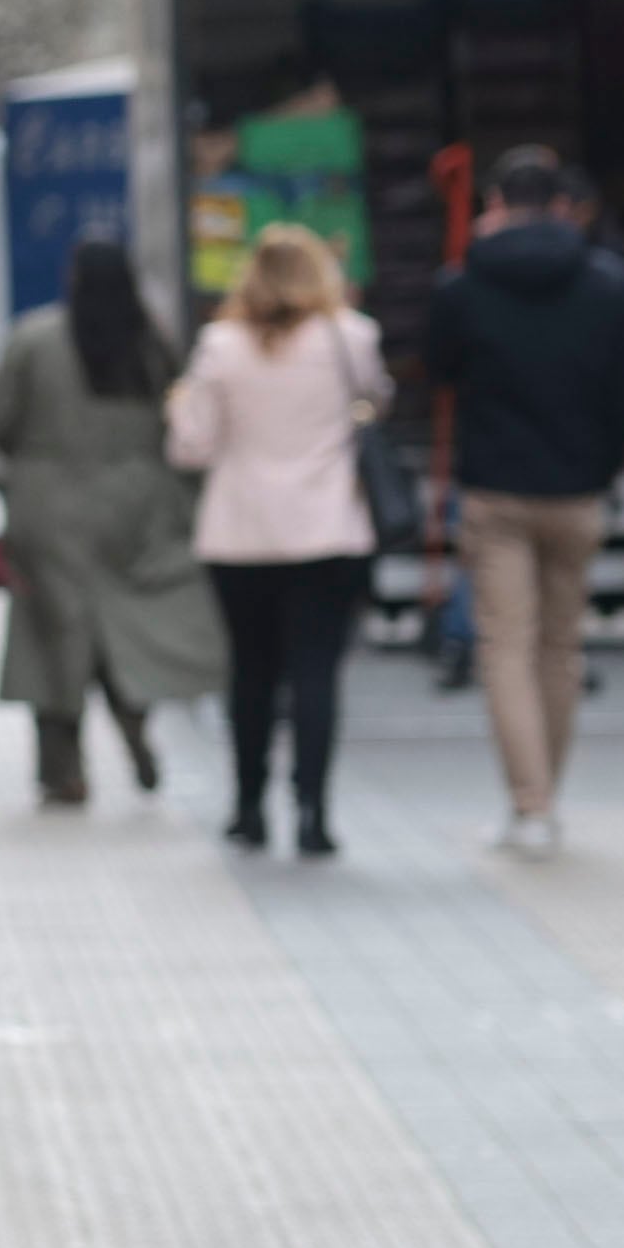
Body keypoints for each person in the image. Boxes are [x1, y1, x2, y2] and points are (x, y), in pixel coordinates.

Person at [426, 146, 624, 856]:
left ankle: (531, 805)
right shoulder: (608, 284)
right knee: (561, 648)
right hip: (577, 489)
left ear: (494, 203)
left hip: (495, 489)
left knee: (505, 648)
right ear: (561, 204)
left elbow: (436, 369)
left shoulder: (462, 286)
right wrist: (606, 466)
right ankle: (543, 795)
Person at [0, 241, 222, 805]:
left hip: (48, 506)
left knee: (51, 636)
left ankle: (64, 768)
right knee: (122, 628)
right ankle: (135, 728)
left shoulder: (35, 339)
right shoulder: (149, 345)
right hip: (137, 504)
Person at [168, 221, 383, 858]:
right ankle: (314, 812)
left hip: (240, 534)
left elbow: (193, 446)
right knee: (317, 674)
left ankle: (248, 807)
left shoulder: (220, 345)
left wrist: (181, 402)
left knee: (251, 674)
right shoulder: (351, 337)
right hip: (328, 528)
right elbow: (377, 401)